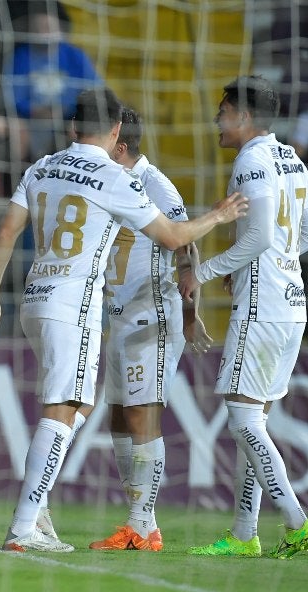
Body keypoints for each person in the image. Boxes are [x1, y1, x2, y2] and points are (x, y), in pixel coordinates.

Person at [0, 87, 248, 553]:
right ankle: (27, 524)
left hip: (48, 300)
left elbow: (5, 230)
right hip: (80, 306)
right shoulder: (113, 177)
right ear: (115, 131)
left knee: (91, 411)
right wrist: (220, 215)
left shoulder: (43, 165)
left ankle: (112, 520)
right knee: (67, 412)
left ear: (73, 125)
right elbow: (178, 234)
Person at [183, 75, 308, 559]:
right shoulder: (293, 158)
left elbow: (260, 237)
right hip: (292, 303)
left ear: (244, 117)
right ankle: (245, 534)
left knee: (242, 418)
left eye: (223, 112)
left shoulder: (251, 160)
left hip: (263, 306)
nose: (217, 120)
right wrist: (265, 263)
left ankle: (297, 522)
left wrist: (206, 270)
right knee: (254, 420)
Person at [88, 107, 212, 552]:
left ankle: (140, 524)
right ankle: (145, 523)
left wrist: (191, 308)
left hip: (153, 316)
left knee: (143, 417)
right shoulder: (108, 181)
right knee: (119, 418)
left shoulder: (156, 184)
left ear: (119, 145)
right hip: (118, 316)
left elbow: (186, 244)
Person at [5, 8, 100, 161]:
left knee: (85, 133)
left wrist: (78, 116)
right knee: (14, 133)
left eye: (48, 27)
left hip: (69, 118)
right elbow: (12, 94)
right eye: (38, 27)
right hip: (31, 119)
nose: (43, 32)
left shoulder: (76, 56)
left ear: (61, 29)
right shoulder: (21, 56)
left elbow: (96, 91)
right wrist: (34, 110)